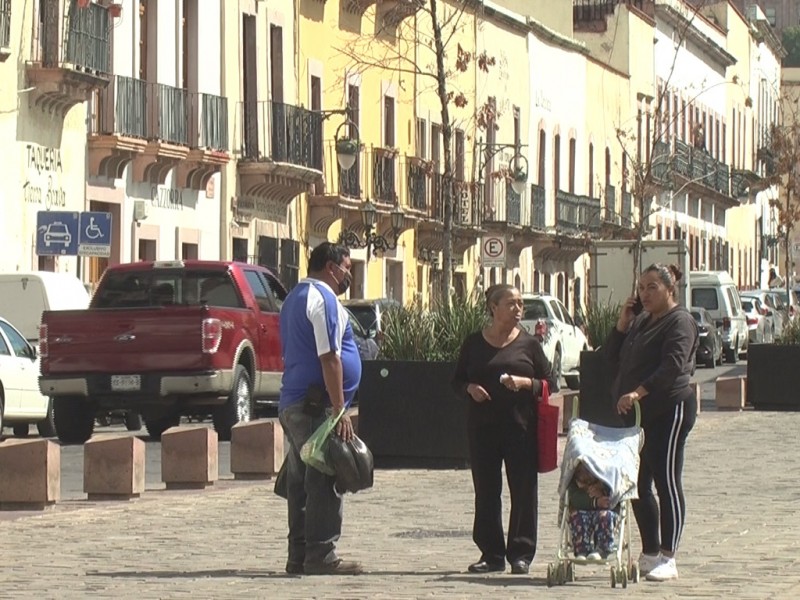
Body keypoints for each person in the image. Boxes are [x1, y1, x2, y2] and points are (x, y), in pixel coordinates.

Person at [452, 284, 557, 575]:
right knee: (486, 491)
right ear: (493, 308)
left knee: (523, 490)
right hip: (482, 428)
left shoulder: (529, 345)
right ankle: (491, 553)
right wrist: (469, 388)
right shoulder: (474, 343)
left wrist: (525, 384)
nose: (518, 309)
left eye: (521, 303)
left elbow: (551, 382)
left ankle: (521, 553)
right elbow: (456, 382)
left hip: (520, 428)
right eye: (511, 303)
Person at [606, 263, 698, 582]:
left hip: (669, 408)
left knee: (666, 479)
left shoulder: (680, 321)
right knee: (638, 483)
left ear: (669, 290)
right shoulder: (642, 321)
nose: (644, 294)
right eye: (641, 287)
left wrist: (638, 392)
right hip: (638, 415)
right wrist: (622, 324)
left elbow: (672, 366)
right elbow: (610, 356)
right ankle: (650, 552)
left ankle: (669, 556)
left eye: (652, 287)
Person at [278, 242, 362, 576]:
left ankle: (298, 555)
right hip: (313, 406)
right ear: (331, 266)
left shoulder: (293, 297)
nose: (348, 276)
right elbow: (330, 357)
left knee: (300, 481)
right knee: (326, 477)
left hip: (296, 403)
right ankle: (321, 555)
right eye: (347, 268)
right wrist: (339, 409)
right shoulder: (322, 298)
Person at [567, 462, 618, 561]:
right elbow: (575, 499)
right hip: (584, 510)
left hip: (603, 510)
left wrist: (602, 490)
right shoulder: (575, 483)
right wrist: (594, 502)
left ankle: (602, 549)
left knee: (604, 516)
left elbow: (614, 495)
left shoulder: (607, 478)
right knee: (577, 516)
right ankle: (582, 550)